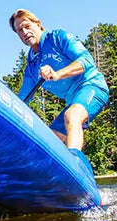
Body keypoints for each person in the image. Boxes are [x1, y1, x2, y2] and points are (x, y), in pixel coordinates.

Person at [9, 9, 108, 156]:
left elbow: (87, 60)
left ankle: (76, 163)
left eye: (27, 26)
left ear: (38, 24)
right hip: (73, 100)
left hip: (92, 86)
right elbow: (21, 100)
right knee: (50, 141)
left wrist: (57, 74)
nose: (24, 32)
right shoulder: (31, 67)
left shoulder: (57, 38)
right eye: (19, 30)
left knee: (72, 115)